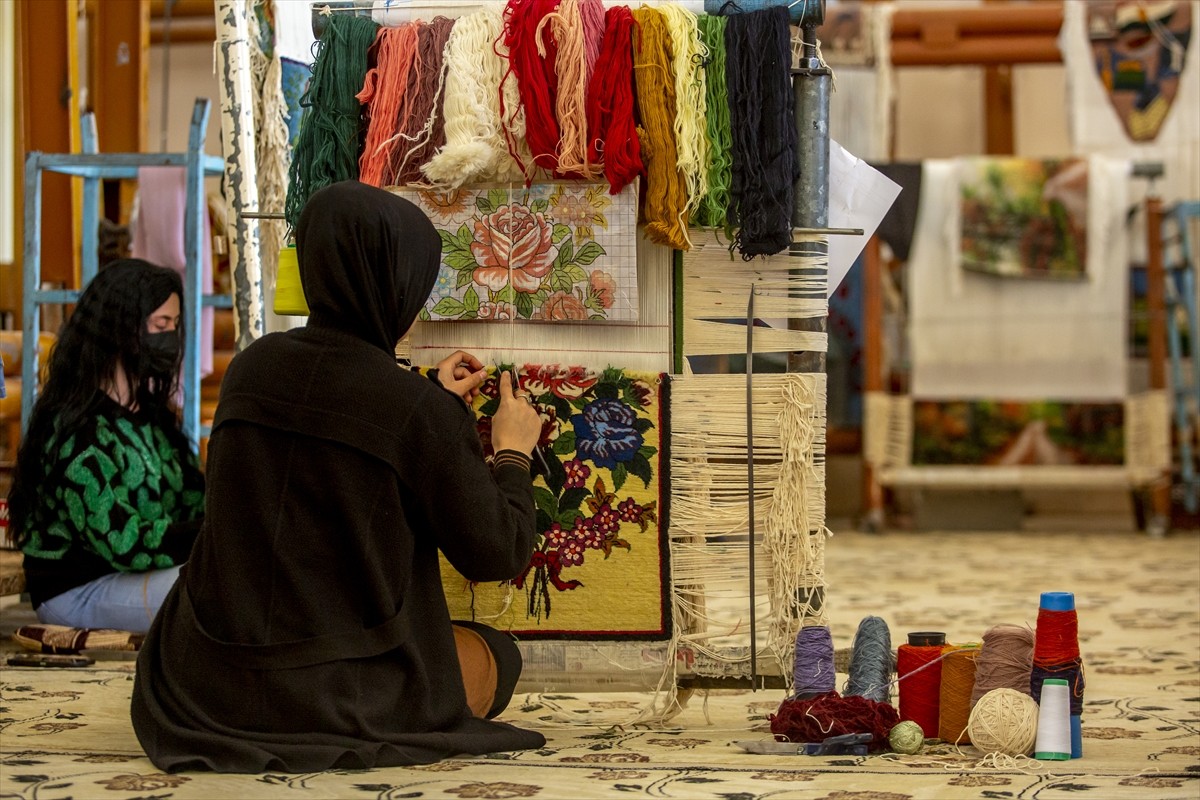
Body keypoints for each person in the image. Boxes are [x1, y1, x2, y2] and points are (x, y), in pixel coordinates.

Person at [131, 181, 546, 772]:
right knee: (496, 657)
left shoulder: (250, 369)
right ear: (394, 283)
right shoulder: (414, 413)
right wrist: (511, 453)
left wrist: (428, 400)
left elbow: (330, 433)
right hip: (342, 689)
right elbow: (496, 551)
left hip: (207, 680)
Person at [7, 259, 204, 633]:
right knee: (221, 588)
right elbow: (123, 540)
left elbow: (190, 498)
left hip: (133, 575)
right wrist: (211, 533)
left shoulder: (152, 418)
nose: (170, 338)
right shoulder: (74, 430)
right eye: (161, 326)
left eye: (175, 327)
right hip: (77, 590)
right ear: (121, 328)